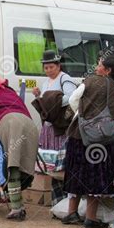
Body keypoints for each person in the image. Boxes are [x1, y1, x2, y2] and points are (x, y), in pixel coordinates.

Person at [62, 57, 114, 228]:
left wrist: (82, 115)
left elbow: (72, 100)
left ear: (108, 70)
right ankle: (91, 217)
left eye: (100, 65)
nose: (96, 67)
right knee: (96, 175)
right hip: (106, 137)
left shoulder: (90, 81)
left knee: (77, 174)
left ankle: (72, 213)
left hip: (81, 135)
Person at [0, 69, 38, 221]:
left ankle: (17, 208)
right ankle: (16, 203)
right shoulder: (9, 90)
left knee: (12, 166)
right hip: (29, 123)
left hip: (8, 124)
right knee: (22, 161)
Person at [31, 50, 77, 205]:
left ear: (58, 66)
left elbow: (71, 97)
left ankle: (66, 201)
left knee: (61, 165)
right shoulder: (46, 83)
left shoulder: (65, 79)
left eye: (51, 67)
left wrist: (51, 101)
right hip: (49, 129)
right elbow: (45, 104)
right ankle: (57, 202)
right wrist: (39, 96)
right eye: (46, 68)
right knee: (52, 166)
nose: (49, 70)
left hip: (61, 128)